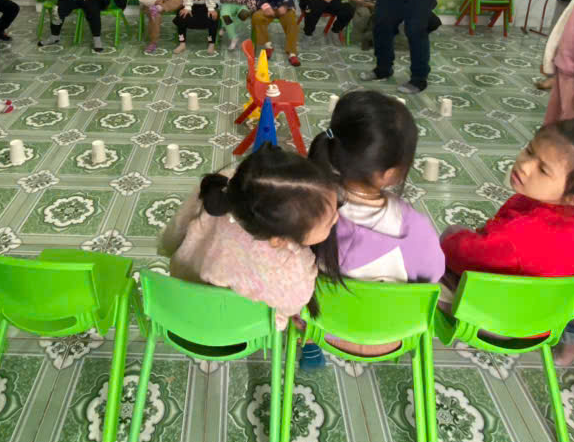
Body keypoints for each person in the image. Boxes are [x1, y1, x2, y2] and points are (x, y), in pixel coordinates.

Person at [306, 91, 444, 362]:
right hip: (391, 336)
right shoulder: (414, 229)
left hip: (322, 327)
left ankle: (309, 347)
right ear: (391, 174)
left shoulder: (307, 207)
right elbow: (433, 275)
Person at [158, 144, 340, 330]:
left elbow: (172, 237)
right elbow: (294, 305)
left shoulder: (223, 187)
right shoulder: (292, 266)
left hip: (182, 308)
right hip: (236, 331)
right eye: (329, 222)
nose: (337, 218)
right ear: (278, 240)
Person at [440, 119, 574, 282]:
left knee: (451, 234)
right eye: (530, 151)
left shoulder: (516, 235)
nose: (524, 165)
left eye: (543, 170)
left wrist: (449, 242)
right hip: (543, 303)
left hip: (497, 308)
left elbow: (460, 255)